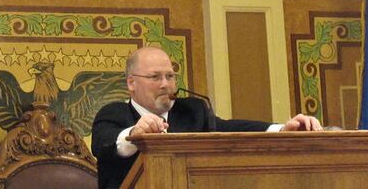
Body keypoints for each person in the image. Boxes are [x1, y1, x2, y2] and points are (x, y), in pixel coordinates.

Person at [91, 47, 323, 189]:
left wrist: (283, 129)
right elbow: (106, 145)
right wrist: (134, 134)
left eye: (170, 76)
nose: (165, 84)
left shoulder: (193, 110)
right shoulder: (112, 114)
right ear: (131, 83)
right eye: (155, 77)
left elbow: (228, 128)